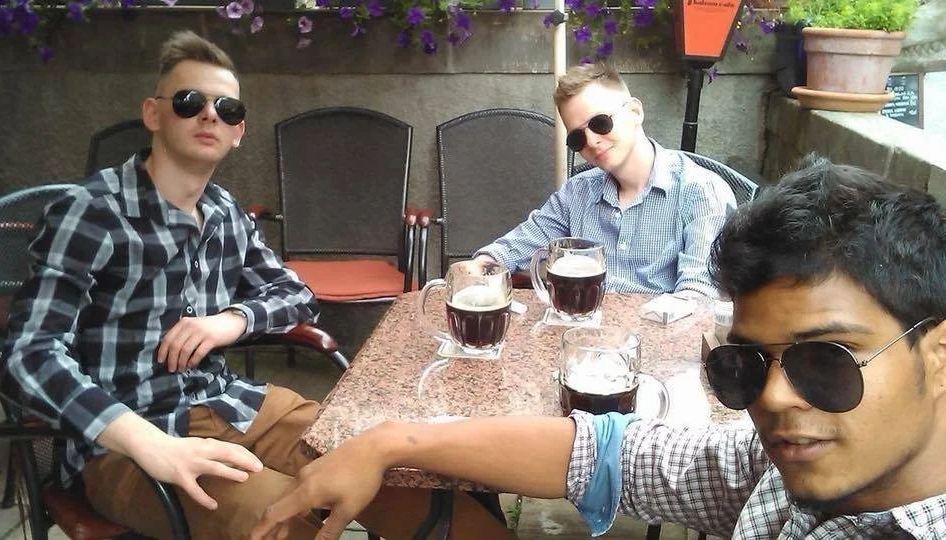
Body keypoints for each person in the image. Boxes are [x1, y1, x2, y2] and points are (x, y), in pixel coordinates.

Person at [253, 156, 946, 539]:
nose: (772, 398)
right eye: (746, 366)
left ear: (937, 355)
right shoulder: (771, 466)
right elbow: (609, 452)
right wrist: (389, 441)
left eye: (827, 360)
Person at [0, 30, 513, 540]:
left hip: (231, 403)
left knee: (401, 469)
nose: (209, 115)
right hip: (125, 442)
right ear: (153, 114)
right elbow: (28, 355)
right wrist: (142, 440)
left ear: (238, 132)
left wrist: (231, 321)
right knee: (288, 518)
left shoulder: (224, 211)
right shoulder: (91, 212)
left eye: (227, 108)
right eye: (188, 101)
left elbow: (296, 295)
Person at [475, 63, 737, 297]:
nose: (591, 141)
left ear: (635, 111)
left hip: (660, 343)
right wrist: (480, 266)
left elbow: (698, 296)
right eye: (577, 138)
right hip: (580, 337)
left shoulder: (701, 191)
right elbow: (513, 248)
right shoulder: (578, 192)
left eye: (600, 123)